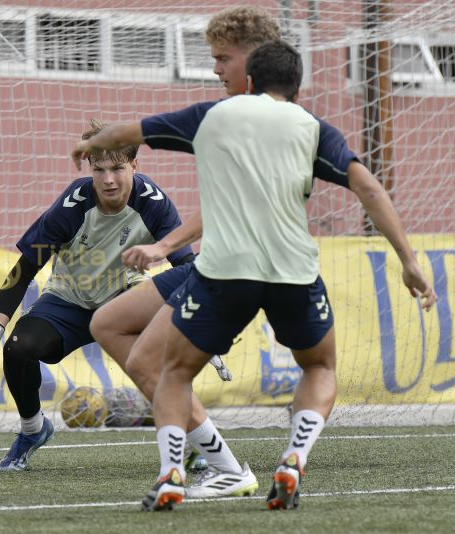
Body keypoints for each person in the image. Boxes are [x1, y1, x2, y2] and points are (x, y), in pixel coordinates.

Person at [71, 41, 436, 511]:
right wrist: (408, 259)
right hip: (291, 269)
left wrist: (91, 143)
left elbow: (135, 130)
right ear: (297, 84)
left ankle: (172, 474)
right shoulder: (311, 128)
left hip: (226, 270)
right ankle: (293, 460)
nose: (217, 67)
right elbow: (367, 186)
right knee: (320, 367)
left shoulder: (216, 116)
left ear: (248, 75)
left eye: (223, 59)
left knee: (174, 373)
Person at [89, 5, 281, 499]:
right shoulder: (239, 114)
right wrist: (165, 246)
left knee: (152, 365)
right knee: (108, 324)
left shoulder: (264, 119)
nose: (215, 68)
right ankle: (206, 450)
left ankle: (212, 464)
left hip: (239, 269)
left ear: (254, 58)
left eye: (223, 57)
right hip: (214, 262)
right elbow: (223, 200)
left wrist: (165, 243)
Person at [0, 119, 196, 472]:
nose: (108, 179)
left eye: (118, 168)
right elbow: (25, 268)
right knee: (18, 348)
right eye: (99, 169)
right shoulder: (72, 206)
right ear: (90, 167)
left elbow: (185, 264)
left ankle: (195, 443)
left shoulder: (153, 202)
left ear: (134, 166)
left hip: (127, 299)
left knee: (168, 358)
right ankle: (32, 431)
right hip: (69, 300)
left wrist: (195, 319)